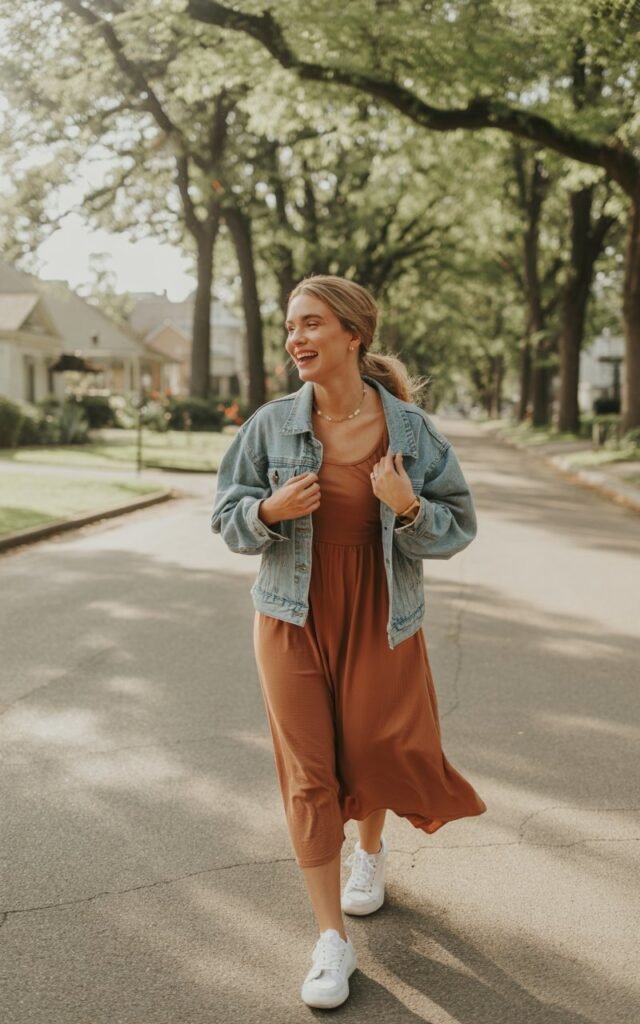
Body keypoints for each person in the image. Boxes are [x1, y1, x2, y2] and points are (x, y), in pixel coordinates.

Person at [211, 274, 487, 1009]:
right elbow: (226, 513)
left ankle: (370, 851)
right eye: (291, 326)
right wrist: (266, 508)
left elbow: (457, 524)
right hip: (290, 616)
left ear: (351, 335)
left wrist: (408, 507)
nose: (297, 339)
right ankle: (332, 940)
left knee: (368, 750)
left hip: (378, 610)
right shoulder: (270, 426)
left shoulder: (411, 433)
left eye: (311, 324)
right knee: (309, 774)